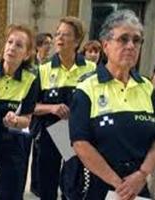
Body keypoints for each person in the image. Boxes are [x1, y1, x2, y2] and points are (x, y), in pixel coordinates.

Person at [70, 10, 155, 199]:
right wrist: (120, 185)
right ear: (106, 45)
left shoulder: (146, 87)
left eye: (136, 40)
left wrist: (141, 175)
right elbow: (80, 143)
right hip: (99, 187)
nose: (131, 46)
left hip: (138, 188)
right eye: (123, 39)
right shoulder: (87, 88)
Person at [30, 16, 96, 200]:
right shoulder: (44, 69)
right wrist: (52, 108)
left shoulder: (91, 69)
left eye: (65, 35)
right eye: (58, 33)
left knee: (74, 184)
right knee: (47, 184)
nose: (59, 38)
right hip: (52, 132)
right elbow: (32, 107)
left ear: (76, 41)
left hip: (78, 135)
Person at [0, 24, 38, 200]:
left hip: (13, 142)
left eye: (19, 45)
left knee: (10, 192)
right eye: (10, 42)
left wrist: (15, 120)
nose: (12, 47)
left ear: (27, 54)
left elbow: (27, 119)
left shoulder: (30, 80)